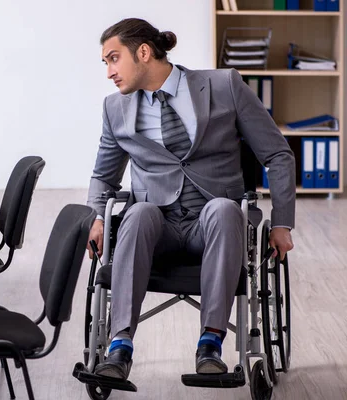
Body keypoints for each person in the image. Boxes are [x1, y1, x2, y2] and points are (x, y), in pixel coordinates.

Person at [86, 18, 296, 380]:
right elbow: (104, 175)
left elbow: (277, 154)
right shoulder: (115, 109)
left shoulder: (224, 85)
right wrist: (96, 216)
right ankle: (119, 346)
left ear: (144, 53)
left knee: (223, 208)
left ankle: (210, 343)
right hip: (158, 228)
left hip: (215, 225)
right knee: (136, 214)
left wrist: (281, 223)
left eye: (113, 59)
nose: (109, 72)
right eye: (105, 63)